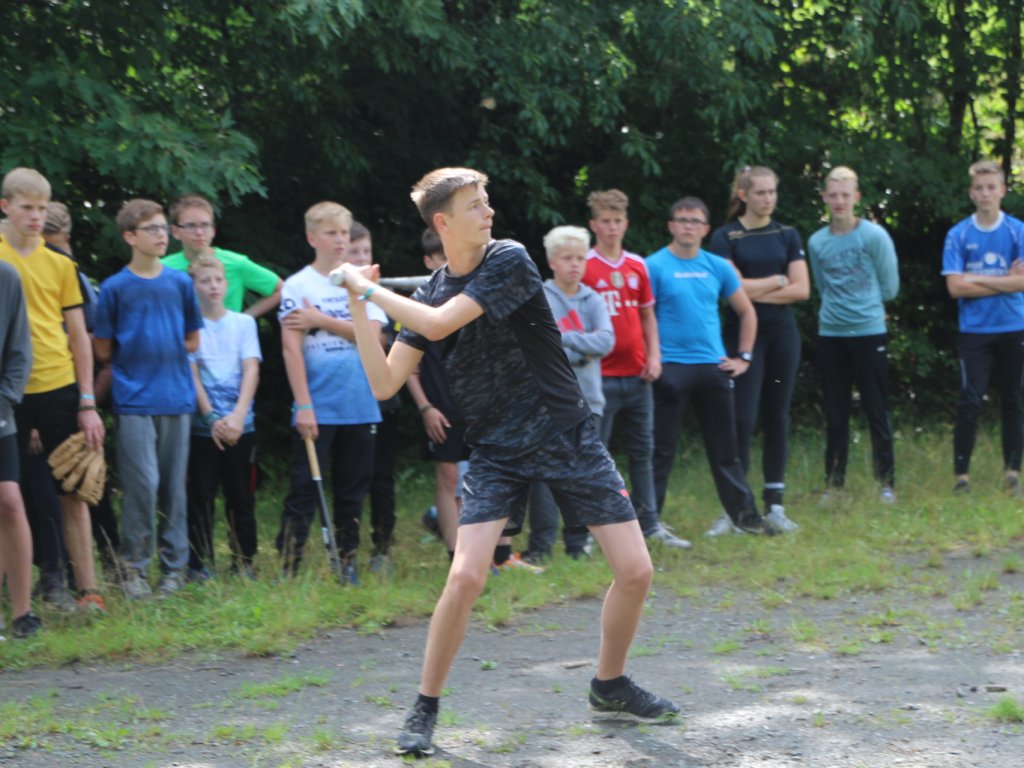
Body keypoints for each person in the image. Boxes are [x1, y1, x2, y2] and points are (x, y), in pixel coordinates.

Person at [334, 167, 679, 758]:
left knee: (636, 571)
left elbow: (439, 323)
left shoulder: (509, 259)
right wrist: (356, 301)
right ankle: (424, 706)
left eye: (487, 200)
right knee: (466, 576)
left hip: (565, 433)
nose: (488, 211)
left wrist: (367, 290)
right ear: (443, 222)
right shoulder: (429, 292)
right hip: (496, 449)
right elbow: (385, 382)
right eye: (475, 205)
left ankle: (610, 684)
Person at [0, 168, 107, 613]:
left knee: (74, 489)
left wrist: (87, 400)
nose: (36, 217)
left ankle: (89, 591)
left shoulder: (61, 264)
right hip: (8, 390)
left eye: (42, 209)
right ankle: (16, 599)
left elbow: (79, 335)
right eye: (27, 207)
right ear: (5, 206)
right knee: (7, 495)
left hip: (58, 385)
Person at [648, 196, 783, 536]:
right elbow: (642, 317)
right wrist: (651, 359)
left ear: (706, 229)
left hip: (713, 367)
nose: (688, 226)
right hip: (670, 367)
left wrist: (744, 357)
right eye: (681, 220)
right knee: (660, 450)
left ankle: (746, 519)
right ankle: (648, 521)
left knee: (726, 451)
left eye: (695, 221)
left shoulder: (717, 266)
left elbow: (747, 312)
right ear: (671, 226)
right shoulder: (653, 266)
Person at [93, 199, 204, 600]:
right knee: (142, 486)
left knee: (174, 488)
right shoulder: (114, 288)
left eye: (162, 228)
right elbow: (102, 348)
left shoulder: (180, 283)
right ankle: (135, 569)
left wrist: (166, 345)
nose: (161, 236)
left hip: (176, 397)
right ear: (129, 237)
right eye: (151, 229)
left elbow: (193, 339)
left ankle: (173, 570)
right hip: (134, 400)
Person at [275, 202, 385, 585]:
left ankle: (347, 561)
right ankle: (289, 566)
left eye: (343, 233)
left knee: (353, 490)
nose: (340, 240)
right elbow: (291, 348)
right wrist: (303, 404)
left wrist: (320, 320)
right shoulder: (298, 285)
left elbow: (374, 337)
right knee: (304, 488)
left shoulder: (361, 281)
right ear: (312, 238)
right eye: (331, 233)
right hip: (317, 406)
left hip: (361, 402)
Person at [582, 189, 690, 549]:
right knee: (597, 457)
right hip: (599, 378)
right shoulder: (585, 265)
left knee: (643, 452)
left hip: (638, 375)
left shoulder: (637, 265)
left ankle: (650, 524)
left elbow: (647, 316)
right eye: (606, 222)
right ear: (594, 225)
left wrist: (654, 357)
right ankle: (594, 531)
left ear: (626, 224)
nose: (612, 228)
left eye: (617, 221)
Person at [709, 166, 808, 533]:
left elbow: (802, 290)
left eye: (772, 192)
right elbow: (729, 288)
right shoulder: (725, 236)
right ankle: (735, 508)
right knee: (742, 418)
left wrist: (752, 289)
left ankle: (775, 505)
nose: (768, 199)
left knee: (777, 416)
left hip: (783, 336)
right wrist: (778, 280)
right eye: (761, 193)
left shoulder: (787, 234)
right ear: (744, 195)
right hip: (742, 338)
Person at [524, 225, 617, 561]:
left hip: (588, 400)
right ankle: (541, 546)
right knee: (544, 475)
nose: (575, 264)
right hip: (546, 401)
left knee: (583, 473)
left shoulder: (593, 299)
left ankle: (578, 544)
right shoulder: (538, 297)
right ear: (552, 262)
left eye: (580, 258)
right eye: (567, 258)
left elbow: (606, 341)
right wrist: (581, 348)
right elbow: (539, 344)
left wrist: (565, 340)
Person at [807, 166, 900, 501]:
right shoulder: (817, 242)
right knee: (835, 413)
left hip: (869, 332)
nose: (839, 201)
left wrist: (864, 307)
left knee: (877, 410)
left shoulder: (874, 237)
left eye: (845, 195)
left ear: (856, 197)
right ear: (824, 198)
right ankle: (834, 485)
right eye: (833, 195)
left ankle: (886, 483)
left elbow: (890, 287)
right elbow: (821, 286)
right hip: (832, 334)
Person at [941, 160, 1024, 495]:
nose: (985, 194)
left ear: (1002, 190)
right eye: (979, 188)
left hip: (1014, 326)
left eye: (991, 187)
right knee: (970, 401)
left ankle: (1012, 474)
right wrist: (1006, 281)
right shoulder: (958, 234)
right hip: (974, 330)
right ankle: (961, 477)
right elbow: (955, 288)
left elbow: (1023, 284)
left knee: (1013, 400)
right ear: (971, 193)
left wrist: (974, 277)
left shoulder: (1017, 231)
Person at [186, 254, 262, 581]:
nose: (213, 286)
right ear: (194, 287)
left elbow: (251, 369)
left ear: (227, 284)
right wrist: (211, 418)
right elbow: (192, 374)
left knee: (241, 496)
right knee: (200, 497)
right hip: (203, 430)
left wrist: (238, 416)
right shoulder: (190, 328)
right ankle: (199, 564)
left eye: (218, 280)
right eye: (205, 281)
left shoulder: (243, 324)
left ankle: (244, 562)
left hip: (241, 427)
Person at [404, 229, 464, 559]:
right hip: (441, 406)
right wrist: (426, 408)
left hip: (478, 405)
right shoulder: (418, 303)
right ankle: (455, 553)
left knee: (485, 479)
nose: (450, 262)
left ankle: (490, 553)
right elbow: (408, 367)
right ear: (428, 261)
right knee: (448, 477)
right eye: (442, 257)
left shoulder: (473, 297)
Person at [346, 221, 398, 574]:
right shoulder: (328, 292)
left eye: (367, 251)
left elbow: (381, 339)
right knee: (352, 479)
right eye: (355, 252)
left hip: (382, 402)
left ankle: (382, 549)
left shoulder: (379, 296)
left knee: (381, 478)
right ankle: (345, 551)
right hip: (345, 401)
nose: (363, 258)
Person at [0, 259, 42, 637]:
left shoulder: (6, 277)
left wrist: (5, 400)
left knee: (9, 501)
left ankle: (22, 614)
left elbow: (19, 350)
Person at [163, 194, 283, 317]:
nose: (199, 232)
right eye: (191, 226)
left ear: (213, 230)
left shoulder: (236, 264)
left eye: (205, 225)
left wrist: (244, 318)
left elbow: (280, 289)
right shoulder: (163, 268)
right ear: (175, 232)